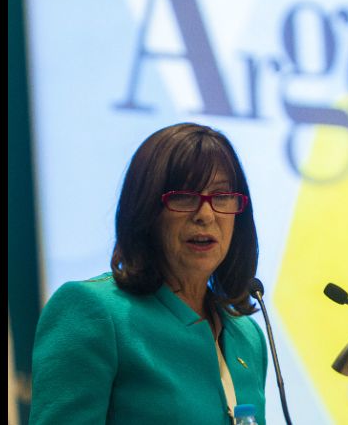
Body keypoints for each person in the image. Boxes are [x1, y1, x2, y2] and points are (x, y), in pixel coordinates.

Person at [29, 123, 267, 424]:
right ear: (146, 209)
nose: (206, 215)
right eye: (184, 196)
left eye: (221, 197)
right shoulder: (95, 312)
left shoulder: (248, 336)